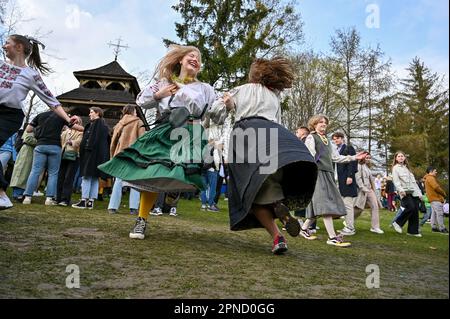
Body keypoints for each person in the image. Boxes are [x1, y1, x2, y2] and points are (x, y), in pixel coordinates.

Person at [99, 45, 216, 239]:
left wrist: (227, 103)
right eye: (191, 55)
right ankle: (141, 220)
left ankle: (173, 194)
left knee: (185, 172)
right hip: (165, 130)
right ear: (180, 59)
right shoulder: (164, 83)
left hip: (191, 133)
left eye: (198, 57)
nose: (195, 58)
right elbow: (141, 100)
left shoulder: (205, 89)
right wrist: (158, 96)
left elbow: (214, 109)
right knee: (152, 171)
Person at [209, 57, 318, 254]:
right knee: (269, 180)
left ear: (253, 75)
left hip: (246, 135)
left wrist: (227, 104)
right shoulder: (274, 96)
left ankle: (277, 233)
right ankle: (279, 213)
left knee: (249, 192)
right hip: (272, 136)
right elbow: (277, 121)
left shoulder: (241, 89)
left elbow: (215, 114)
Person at [1, 34, 78, 209]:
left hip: (9, 115)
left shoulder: (31, 75)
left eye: (7, 43)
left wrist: (68, 119)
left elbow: (51, 100)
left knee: (40, 170)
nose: (4, 46)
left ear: (19, 47)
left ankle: (5, 194)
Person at [302, 115, 367, 247]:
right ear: (314, 124)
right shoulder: (311, 137)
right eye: (320, 122)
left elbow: (337, 158)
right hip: (317, 174)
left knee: (319, 204)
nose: (323, 124)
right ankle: (332, 237)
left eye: (325, 122)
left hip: (328, 174)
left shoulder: (328, 141)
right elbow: (310, 156)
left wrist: (354, 157)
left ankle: (303, 229)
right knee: (325, 204)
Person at [22, 110, 83, 205]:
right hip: (55, 147)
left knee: (35, 171)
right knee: (53, 174)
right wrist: (86, 127)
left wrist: (40, 129)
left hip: (40, 145)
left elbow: (28, 129)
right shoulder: (62, 117)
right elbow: (77, 128)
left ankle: (27, 197)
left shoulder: (40, 115)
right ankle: (49, 199)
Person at [107, 104, 145, 214]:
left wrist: (113, 154)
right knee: (134, 181)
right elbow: (142, 141)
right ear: (133, 111)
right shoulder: (138, 122)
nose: (137, 113)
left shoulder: (120, 123)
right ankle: (133, 208)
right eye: (136, 111)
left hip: (120, 154)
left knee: (118, 181)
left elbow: (113, 141)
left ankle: (112, 207)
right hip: (133, 155)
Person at [72, 107, 110, 210]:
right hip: (98, 156)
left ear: (97, 113)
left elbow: (92, 140)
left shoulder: (96, 124)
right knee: (94, 178)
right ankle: (90, 202)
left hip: (91, 155)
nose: (89, 114)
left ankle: (84, 200)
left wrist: (86, 151)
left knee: (86, 176)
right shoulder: (103, 126)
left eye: (91, 112)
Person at [331, 132, 358, 236]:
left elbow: (353, 162)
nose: (336, 140)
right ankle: (348, 226)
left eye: (337, 138)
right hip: (339, 181)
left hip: (347, 180)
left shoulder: (348, 148)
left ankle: (350, 228)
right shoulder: (336, 151)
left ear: (342, 138)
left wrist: (350, 176)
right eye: (334, 139)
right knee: (344, 204)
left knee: (348, 204)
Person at [391, 151, 423, 237]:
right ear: (396, 158)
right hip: (404, 192)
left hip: (414, 192)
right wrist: (401, 190)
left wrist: (419, 194)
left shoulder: (407, 169)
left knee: (415, 210)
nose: (401, 157)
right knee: (410, 207)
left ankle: (413, 232)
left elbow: (414, 183)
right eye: (399, 156)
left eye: (402, 156)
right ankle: (397, 223)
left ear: (404, 158)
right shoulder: (395, 168)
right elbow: (396, 182)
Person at [56, 116, 83, 206]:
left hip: (74, 156)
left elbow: (79, 142)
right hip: (63, 155)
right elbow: (60, 140)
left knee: (69, 178)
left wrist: (71, 142)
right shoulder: (65, 132)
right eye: (73, 119)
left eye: (76, 120)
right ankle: (58, 197)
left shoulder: (81, 132)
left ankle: (65, 199)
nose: (74, 121)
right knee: (60, 176)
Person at [353, 153, 384, 234]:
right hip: (362, 190)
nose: (368, 159)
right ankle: (349, 220)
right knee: (359, 208)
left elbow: (371, 178)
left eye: (369, 157)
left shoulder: (368, 167)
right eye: (366, 157)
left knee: (375, 206)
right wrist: (363, 188)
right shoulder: (358, 166)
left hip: (370, 190)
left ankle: (375, 227)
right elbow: (358, 178)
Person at [9, 129, 36, 201]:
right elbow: (27, 139)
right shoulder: (31, 127)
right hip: (27, 150)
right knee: (21, 171)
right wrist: (41, 142)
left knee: (26, 173)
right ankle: (17, 194)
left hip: (31, 151)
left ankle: (20, 193)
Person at [423, 166, 448, 234]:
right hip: (435, 198)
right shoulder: (430, 178)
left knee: (434, 213)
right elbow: (436, 187)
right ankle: (442, 228)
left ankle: (434, 227)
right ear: (431, 171)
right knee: (440, 213)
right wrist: (443, 193)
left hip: (432, 198)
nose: (436, 172)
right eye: (435, 171)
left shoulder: (428, 178)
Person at [200, 139, 220, 212]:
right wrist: (217, 168)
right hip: (211, 169)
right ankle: (210, 205)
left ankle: (203, 205)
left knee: (203, 188)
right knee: (212, 188)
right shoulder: (214, 148)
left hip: (202, 169)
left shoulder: (202, 148)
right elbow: (217, 160)